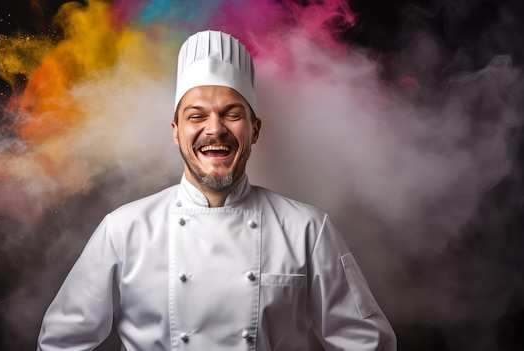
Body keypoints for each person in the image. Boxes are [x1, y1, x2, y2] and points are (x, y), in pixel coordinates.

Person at [37, 29, 397, 351]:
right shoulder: (123, 229)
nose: (215, 129)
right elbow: (60, 344)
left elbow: (368, 345)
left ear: (254, 130)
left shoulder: (307, 229)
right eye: (196, 116)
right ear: (176, 130)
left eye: (232, 114)